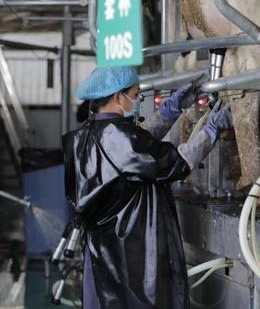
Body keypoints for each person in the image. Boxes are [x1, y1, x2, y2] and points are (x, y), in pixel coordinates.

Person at [62, 66, 233, 308]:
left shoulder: (84, 136)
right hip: (132, 253)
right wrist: (212, 129)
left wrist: (172, 109)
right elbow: (177, 163)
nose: (138, 100)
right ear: (117, 96)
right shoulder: (123, 138)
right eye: (135, 94)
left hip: (103, 251)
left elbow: (139, 145)